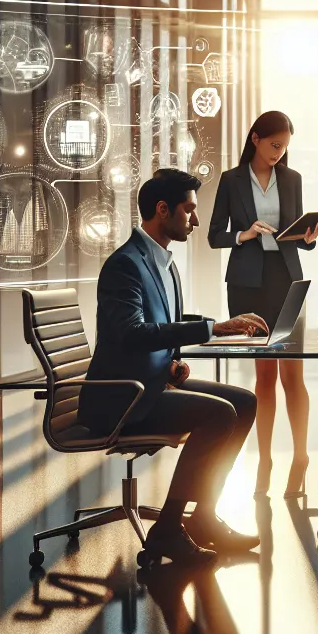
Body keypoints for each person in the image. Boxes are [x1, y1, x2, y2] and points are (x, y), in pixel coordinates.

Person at [80, 168, 269, 565]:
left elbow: (162, 321)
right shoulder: (124, 265)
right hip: (121, 399)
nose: (196, 220)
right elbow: (131, 333)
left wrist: (174, 361)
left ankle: (202, 516)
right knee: (219, 415)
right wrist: (212, 328)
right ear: (162, 210)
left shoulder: (163, 261)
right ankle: (167, 529)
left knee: (245, 402)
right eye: (189, 210)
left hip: (151, 383)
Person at [207, 110, 318, 498]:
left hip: (287, 279)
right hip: (248, 284)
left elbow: (298, 235)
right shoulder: (231, 180)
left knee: (294, 375)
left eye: (285, 147)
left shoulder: (291, 180)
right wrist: (244, 234)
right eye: (274, 145)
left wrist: (309, 236)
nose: (279, 153)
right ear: (255, 138)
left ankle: (301, 456)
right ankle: (264, 459)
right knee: (264, 378)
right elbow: (213, 236)